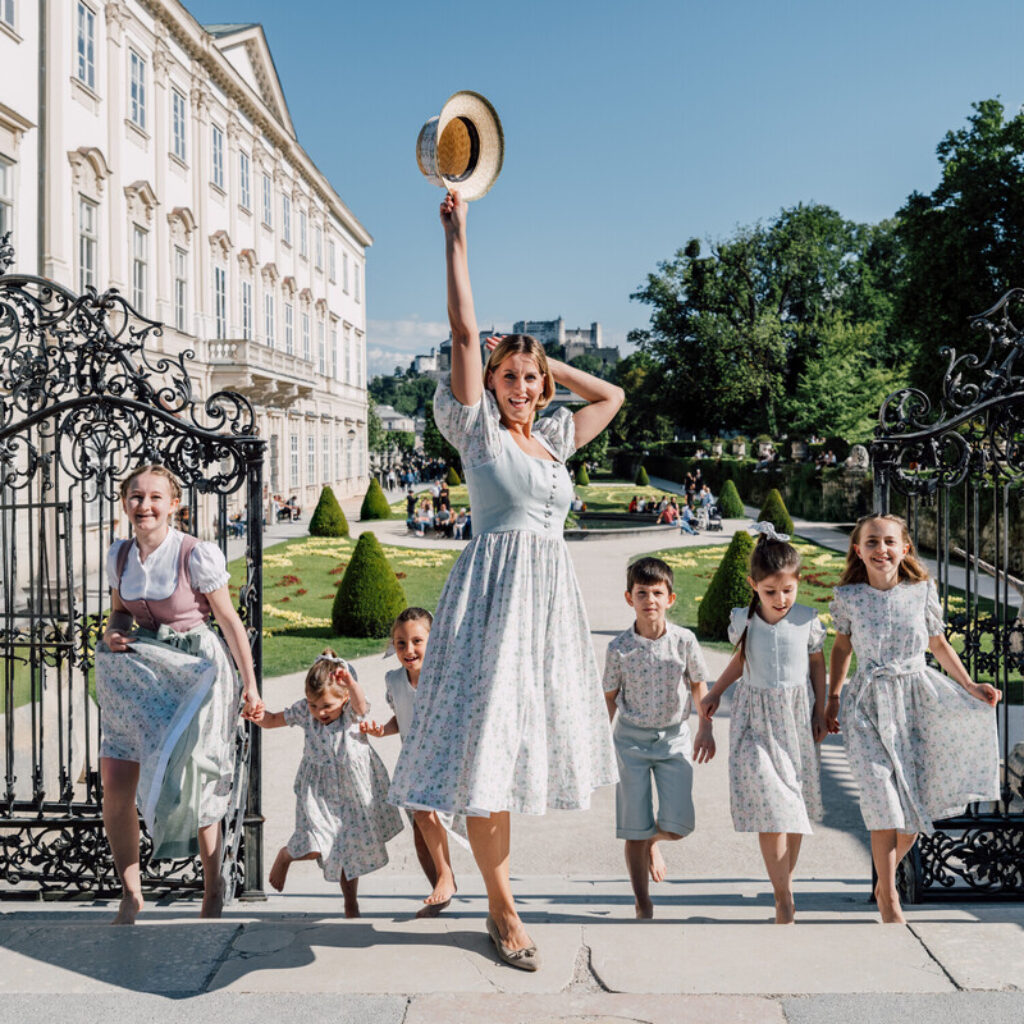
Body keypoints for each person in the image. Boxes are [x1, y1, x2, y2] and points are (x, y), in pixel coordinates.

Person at [388, 189, 623, 971]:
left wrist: (547, 357)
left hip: (548, 611)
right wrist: (457, 238)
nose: (521, 386)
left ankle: (496, 894)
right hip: (492, 602)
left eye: (530, 377)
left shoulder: (553, 436)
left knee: (519, 757)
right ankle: (502, 905)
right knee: (488, 758)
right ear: (488, 382)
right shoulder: (479, 433)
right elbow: (461, 329)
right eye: (509, 375)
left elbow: (614, 396)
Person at [96, 464, 262, 925]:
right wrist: (113, 633)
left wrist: (249, 686)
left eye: (154, 497)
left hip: (196, 675)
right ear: (125, 502)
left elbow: (229, 621)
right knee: (116, 780)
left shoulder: (194, 554)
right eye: (134, 496)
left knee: (194, 779)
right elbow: (117, 616)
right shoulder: (120, 555)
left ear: (174, 504)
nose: (143, 505)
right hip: (140, 676)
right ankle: (130, 892)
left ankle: (212, 888)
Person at [826, 514, 1001, 924]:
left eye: (889, 541)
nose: (880, 549)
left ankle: (882, 883)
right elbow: (841, 649)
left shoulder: (922, 591)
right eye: (871, 542)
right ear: (858, 550)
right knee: (881, 804)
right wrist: (832, 697)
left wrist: (971, 685)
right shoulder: (849, 596)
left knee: (914, 810)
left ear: (904, 548)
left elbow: (938, 645)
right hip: (867, 705)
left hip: (916, 702)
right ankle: (889, 897)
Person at [699, 523, 827, 924]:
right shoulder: (745, 620)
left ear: (797, 582)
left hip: (794, 720)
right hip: (754, 719)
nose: (781, 599)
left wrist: (822, 709)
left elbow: (817, 667)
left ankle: (781, 887)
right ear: (753, 584)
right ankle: (783, 899)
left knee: (794, 808)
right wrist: (715, 691)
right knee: (772, 806)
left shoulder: (808, 619)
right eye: (770, 591)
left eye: (787, 590)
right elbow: (740, 660)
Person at [254, 649, 403, 918]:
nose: (319, 712)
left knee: (348, 850)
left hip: (352, 790)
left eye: (326, 707)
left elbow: (361, 704)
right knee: (315, 844)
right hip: (318, 790)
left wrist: (351, 683)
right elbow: (274, 719)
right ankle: (286, 855)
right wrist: (257, 716)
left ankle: (350, 902)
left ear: (343, 698)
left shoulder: (350, 711)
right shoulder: (305, 710)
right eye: (313, 705)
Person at [603, 557, 713, 919]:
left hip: (673, 741)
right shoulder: (619, 647)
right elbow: (609, 696)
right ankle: (643, 901)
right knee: (633, 827)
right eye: (641, 593)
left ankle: (653, 841)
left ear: (670, 598)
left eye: (657, 593)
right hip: (630, 743)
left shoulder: (684, 641)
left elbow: (699, 684)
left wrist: (705, 727)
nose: (649, 599)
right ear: (628, 598)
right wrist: (602, 743)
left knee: (680, 825)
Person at [361, 609, 468, 916]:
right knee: (421, 834)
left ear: (433, 642)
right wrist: (383, 730)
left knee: (423, 813)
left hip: (442, 761)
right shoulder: (394, 681)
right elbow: (401, 716)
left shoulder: (444, 679)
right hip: (412, 763)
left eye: (417, 641)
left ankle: (446, 877)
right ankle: (440, 889)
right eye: (400, 643)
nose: (409, 650)